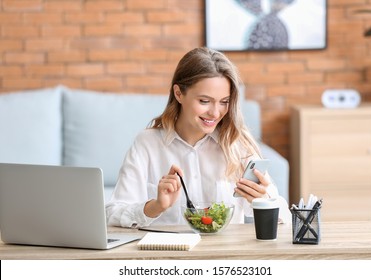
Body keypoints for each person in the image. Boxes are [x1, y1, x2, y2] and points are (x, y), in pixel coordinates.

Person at [105, 47, 290, 228]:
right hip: (169, 255)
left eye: (224, 102)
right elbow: (113, 214)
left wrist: (264, 201)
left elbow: (285, 220)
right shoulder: (147, 144)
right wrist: (156, 206)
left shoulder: (238, 145)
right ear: (179, 94)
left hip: (225, 255)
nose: (215, 113)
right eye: (204, 101)